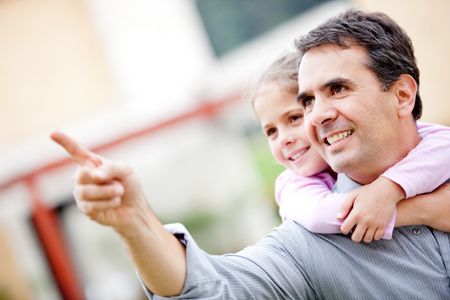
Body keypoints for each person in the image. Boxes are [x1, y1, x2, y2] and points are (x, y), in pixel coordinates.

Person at [51, 10, 450, 299]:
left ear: (402, 94)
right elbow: (212, 289)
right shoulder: (306, 241)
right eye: (308, 101)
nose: (319, 115)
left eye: (338, 89)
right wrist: (135, 222)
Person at [253, 52, 450, 242]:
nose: (283, 139)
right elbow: (319, 214)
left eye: (294, 118)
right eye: (271, 132)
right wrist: (424, 211)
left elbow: (444, 145)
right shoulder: (291, 184)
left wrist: (388, 188)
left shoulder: (385, 139)